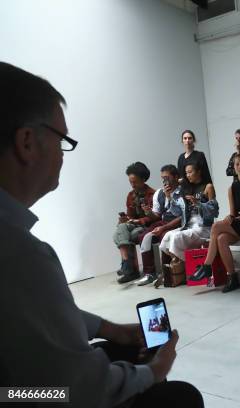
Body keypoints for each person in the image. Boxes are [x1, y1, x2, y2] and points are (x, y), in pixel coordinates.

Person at [0, 62, 203, 408]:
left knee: (120, 346)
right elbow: (79, 392)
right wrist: (154, 371)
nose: (64, 155)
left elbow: (38, 316)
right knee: (181, 397)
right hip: (25, 397)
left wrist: (111, 329)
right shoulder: (22, 255)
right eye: (62, 140)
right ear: (27, 142)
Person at [190, 154, 240, 293]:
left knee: (216, 226)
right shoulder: (232, 188)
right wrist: (229, 217)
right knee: (221, 238)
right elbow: (234, 213)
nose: (239, 167)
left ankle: (207, 266)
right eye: (236, 164)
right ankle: (232, 278)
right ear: (234, 167)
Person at [159, 163, 218, 264]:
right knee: (167, 237)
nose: (188, 175)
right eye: (186, 173)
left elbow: (214, 211)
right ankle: (190, 266)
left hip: (203, 228)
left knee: (176, 238)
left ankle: (193, 267)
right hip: (188, 226)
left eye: (190, 172)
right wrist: (169, 198)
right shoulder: (186, 189)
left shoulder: (208, 187)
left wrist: (198, 204)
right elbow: (177, 213)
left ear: (199, 172)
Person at [135, 165, 183, 286]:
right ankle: (149, 274)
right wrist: (148, 212)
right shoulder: (159, 193)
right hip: (163, 221)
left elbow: (182, 216)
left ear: (176, 177)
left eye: (167, 177)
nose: (165, 181)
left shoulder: (182, 191)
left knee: (163, 236)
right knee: (143, 236)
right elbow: (156, 215)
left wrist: (164, 227)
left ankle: (167, 273)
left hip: (177, 223)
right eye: (163, 178)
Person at [113, 162, 156, 284]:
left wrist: (138, 221)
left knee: (123, 235)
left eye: (135, 182)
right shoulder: (131, 195)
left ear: (143, 179)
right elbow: (130, 215)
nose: (132, 185)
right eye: (130, 182)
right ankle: (127, 264)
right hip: (134, 225)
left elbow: (155, 216)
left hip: (147, 226)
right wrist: (125, 219)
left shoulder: (152, 194)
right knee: (121, 228)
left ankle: (129, 269)